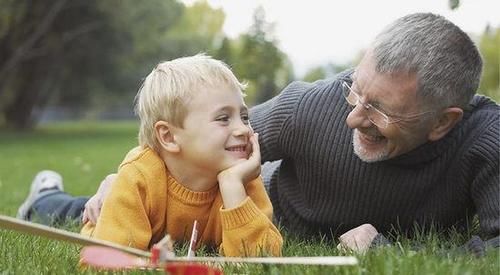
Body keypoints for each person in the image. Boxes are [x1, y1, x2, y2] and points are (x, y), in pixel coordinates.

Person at [59, 13, 500, 255]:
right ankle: (48, 198)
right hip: (234, 203)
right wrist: (125, 173)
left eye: (380, 109)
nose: (353, 117)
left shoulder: (486, 142)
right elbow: (190, 139)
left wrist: (389, 253)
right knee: (103, 209)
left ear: (443, 121)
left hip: (243, 218)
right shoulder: (310, 106)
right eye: (356, 91)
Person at [16, 54, 283, 257]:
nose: (243, 129)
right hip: (107, 216)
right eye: (224, 118)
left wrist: (234, 189)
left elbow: (262, 259)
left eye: (244, 116)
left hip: (141, 215)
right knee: (68, 213)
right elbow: (105, 259)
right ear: (168, 136)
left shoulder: (241, 178)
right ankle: (44, 195)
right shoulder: (140, 177)